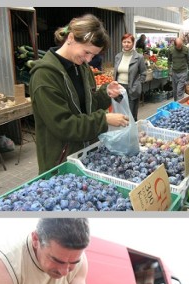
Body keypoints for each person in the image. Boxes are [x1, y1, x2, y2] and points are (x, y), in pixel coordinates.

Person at [29, 14, 128, 174]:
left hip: (85, 154)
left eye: (93, 55)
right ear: (71, 38)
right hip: (61, 161)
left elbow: (88, 105)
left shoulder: (81, 67)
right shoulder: (44, 76)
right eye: (87, 52)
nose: (89, 59)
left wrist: (105, 93)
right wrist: (103, 120)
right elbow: (63, 124)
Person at [113, 33, 146, 121]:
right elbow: (116, 72)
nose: (126, 44)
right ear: (122, 43)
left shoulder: (139, 57)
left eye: (129, 42)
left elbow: (143, 73)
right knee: (120, 114)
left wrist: (138, 84)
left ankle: (132, 133)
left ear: (133, 43)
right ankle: (122, 133)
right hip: (119, 88)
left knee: (131, 115)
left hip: (132, 88)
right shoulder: (118, 56)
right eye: (124, 42)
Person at [167, 37, 189, 102]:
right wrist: (169, 70)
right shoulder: (171, 50)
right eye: (179, 46)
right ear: (175, 45)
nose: (180, 47)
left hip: (183, 72)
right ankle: (176, 104)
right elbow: (169, 61)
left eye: (181, 45)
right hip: (174, 73)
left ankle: (179, 106)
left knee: (179, 91)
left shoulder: (185, 49)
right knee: (175, 91)